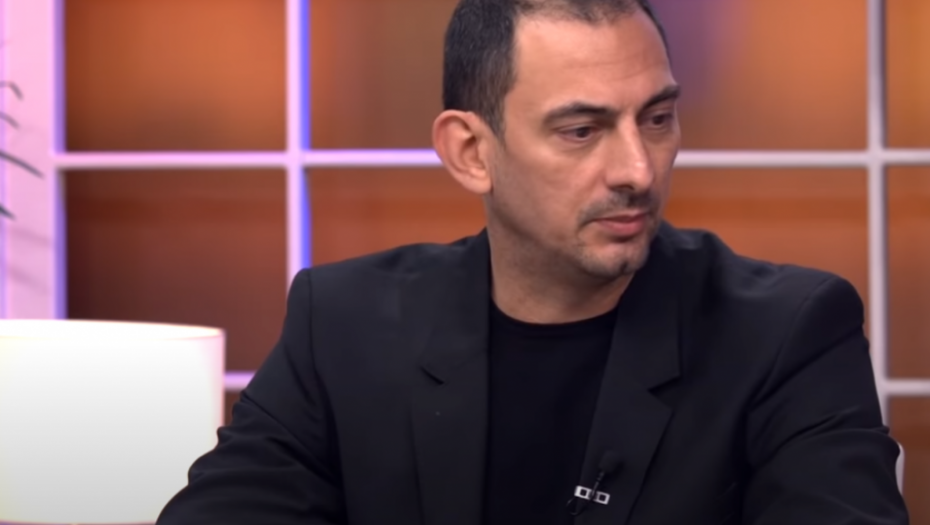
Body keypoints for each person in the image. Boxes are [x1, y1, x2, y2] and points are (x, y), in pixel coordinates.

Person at [156, 0, 909, 523]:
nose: (638, 170)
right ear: (470, 151)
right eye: (582, 130)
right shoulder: (343, 324)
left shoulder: (787, 333)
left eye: (657, 118)